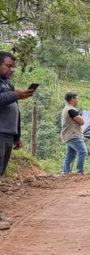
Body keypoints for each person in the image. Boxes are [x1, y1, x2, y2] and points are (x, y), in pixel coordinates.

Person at [0, 51, 37, 230]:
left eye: (13, 66)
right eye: (8, 66)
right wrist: (16, 95)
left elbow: (15, 111)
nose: (12, 69)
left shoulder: (7, 84)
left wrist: (17, 136)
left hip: (7, 135)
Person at [60, 92, 88, 175]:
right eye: (76, 99)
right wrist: (80, 117)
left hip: (67, 135)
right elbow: (82, 121)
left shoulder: (65, 109)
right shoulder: (71, 110)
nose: (77, 101)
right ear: (72, 99)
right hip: (73, 135)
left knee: (70, 155)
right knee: (83, 151)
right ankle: (80, 171)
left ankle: (66, 172)